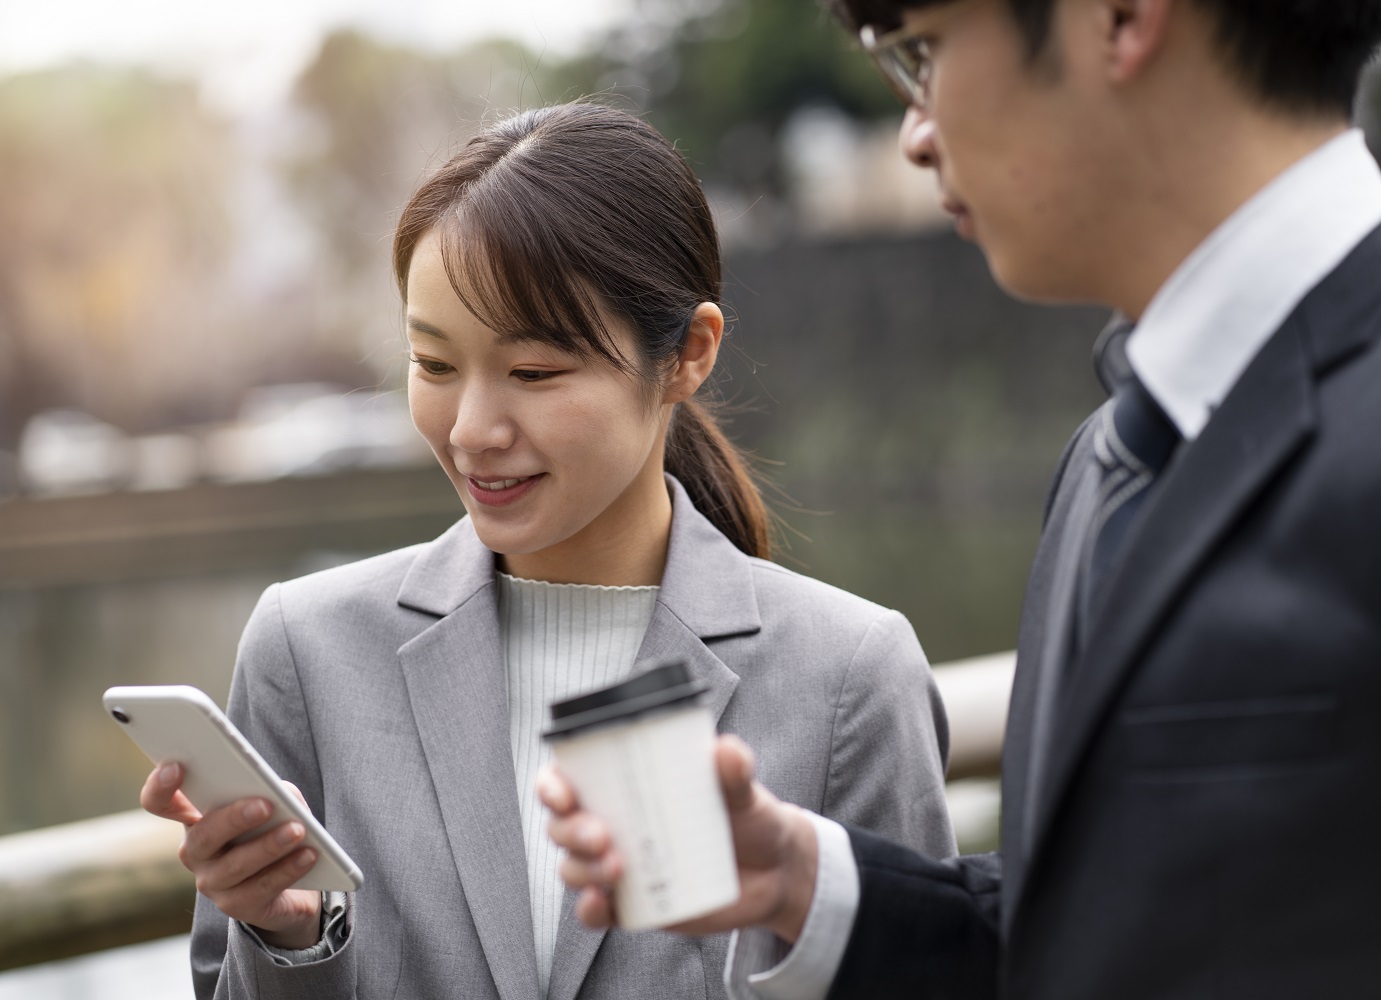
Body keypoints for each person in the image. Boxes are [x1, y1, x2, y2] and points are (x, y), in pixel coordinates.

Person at [546, 0, 1381, 996]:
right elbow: (1102, 932)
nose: (916, 132)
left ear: (1122, 18)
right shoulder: (1109, 454)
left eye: (925, 51)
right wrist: (806, 879)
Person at [139, 102, 956, 1000]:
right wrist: (291, 938)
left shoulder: (850, 679)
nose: (473, 430)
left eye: (533, 373)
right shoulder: (308, 651)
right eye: (435, 365)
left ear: (688, 353)